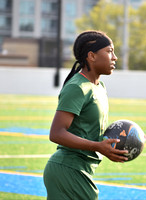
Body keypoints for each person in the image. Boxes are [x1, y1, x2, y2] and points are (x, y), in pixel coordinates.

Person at [43, 30, 128, 200]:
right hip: (68, 170)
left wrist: (132, 136)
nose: (115, 57)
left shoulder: (99, 86)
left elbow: (88, 130)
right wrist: (97, 147)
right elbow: (56, 133)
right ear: (92, 56)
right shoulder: (77, 87)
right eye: (109, 51)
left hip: (80, 171)